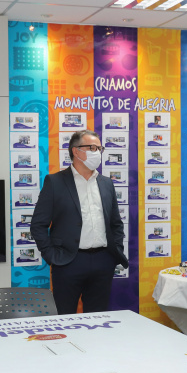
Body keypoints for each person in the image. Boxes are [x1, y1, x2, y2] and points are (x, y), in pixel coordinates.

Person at [31, 130, 129, 314]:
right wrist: (51, 255)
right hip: (68, 261)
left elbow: (116, 223)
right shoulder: (55, 182)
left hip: (103, 261)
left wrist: (115, 250)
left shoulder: (106, 183)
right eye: (92, 147)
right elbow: (38, 224)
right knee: (64, 317)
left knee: (98, 318)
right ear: (76, 151)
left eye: (99, 148)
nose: (97, 152)